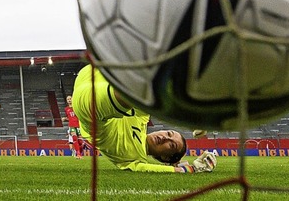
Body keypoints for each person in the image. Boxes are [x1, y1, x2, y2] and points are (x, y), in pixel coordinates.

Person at [72, 65, 217, 173]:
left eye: (171, 145)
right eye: (169, 134)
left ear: (165, 158)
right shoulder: (143, 120)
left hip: (89, 110)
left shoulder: (136, 157)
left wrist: (189, 169)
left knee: (139, 91)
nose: (164, 138)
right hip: (96, 73)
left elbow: (143, 168)